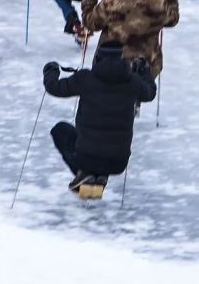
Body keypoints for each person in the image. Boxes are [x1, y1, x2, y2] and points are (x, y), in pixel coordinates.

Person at [43, 43, 157, 197]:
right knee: (103, 147)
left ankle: (85, 173)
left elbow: (54, 87)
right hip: (118, 162)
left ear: (97, 58)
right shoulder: (132, 82)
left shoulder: (85, 78)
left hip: (87, 158)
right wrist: (145, 74)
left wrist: (51, 70)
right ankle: (99, 178)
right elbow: (149, 93)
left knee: (60, 130)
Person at [81, 0, 179, 78]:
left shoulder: (110, 3)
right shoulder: (159, 3)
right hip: (147, 66)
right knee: (139, 93)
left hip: (111, 65)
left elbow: (90, 23)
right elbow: (172, 19)